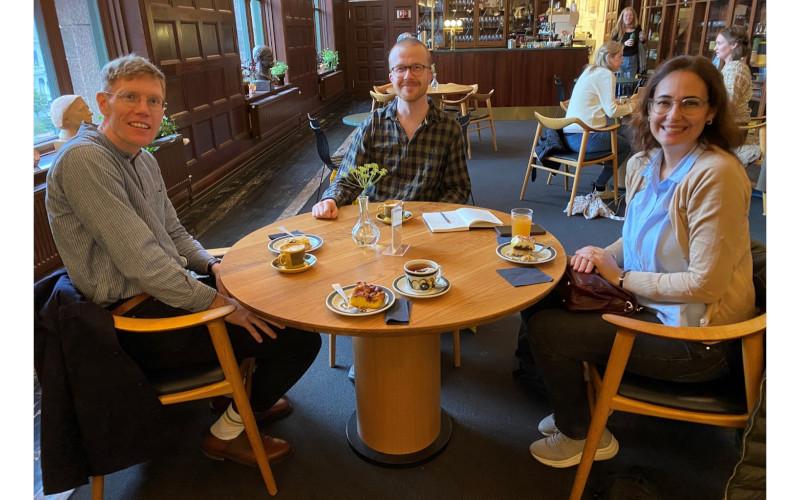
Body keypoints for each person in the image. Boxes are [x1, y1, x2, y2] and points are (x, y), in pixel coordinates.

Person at [45, 54, 320, 467]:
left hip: (161, 298)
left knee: (269, 297)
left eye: (154, 101)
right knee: (298, 339)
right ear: (104, 102)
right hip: (134, 327)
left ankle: (240, 397)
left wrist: (214, 268)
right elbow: (145, 265)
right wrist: (222, 305)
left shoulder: (143, 158)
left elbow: (174, 234)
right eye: (131, 97)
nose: (144, 109)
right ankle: (227, 433)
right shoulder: (85, 160)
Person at [523, 55, 753, 468]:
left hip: (696, 340)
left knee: (548, 329)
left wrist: (622, 277)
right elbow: (634, 238)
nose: (672, 114)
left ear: (712, 111)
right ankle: (579, 404)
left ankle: (581, 433)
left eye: (690, 103)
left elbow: (706, 285)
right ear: (648, 108)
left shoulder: (716, 174)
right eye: (663, 102)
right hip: (648, 308)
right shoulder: (646, 163)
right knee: (540, 290)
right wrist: (599, 256)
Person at [312, 36, 470, 219]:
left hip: (427, 227)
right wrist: (331, 200)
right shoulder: (372, 126)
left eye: (417, 67)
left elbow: (458, 188)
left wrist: (434, 216)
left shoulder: (449, 129)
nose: (408, 76)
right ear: (391, 77)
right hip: (379, 229)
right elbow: (348, 180)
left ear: (430, 75)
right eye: (401, 68)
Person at [564, 41, 637, 197]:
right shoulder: (606, 75)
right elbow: (611, 112)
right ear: (609, 57)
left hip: (569, 135)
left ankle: (612, 183)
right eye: (620, 56)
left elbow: (600, 103)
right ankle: (600, 186)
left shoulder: (590, 70)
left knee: (623, 133)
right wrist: (633, 106)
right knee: (625, 145)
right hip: (584, 138)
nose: (623, 60)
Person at [715, 27, 753, 124]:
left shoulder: (736, 69)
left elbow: (729, 103)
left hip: (733, 127)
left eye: (719, 43)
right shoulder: (732, 66)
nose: (715, 48)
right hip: (730, 123)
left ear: (733, 45)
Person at [610, 6, 647, 78]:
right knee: (619, 81)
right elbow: (612, 46)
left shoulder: (637, 28)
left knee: (630, 81)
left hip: (633, 59)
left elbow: (642, 42)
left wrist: (643, 39)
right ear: (622, 17)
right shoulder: (617, 29)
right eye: (626, 15)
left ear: (633, 17)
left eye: (630, 15)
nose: (628, 17)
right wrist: (624, 44)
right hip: (619, 58)